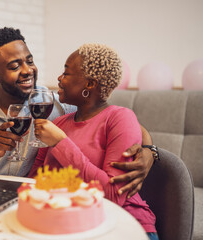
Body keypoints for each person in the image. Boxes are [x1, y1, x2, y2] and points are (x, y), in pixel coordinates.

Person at [0, 27, 155, 198]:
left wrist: (149, 152)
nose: (27, 70)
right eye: (15, 66)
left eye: (29, 61)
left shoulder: (59, 105)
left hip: (41, 202)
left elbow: (126, 125)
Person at [28, 43, 158, 239]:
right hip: (68, 225)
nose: (59, 78)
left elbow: (113, 195)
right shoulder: (59, 123)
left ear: (89, 84)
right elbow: (34, 181)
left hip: (123, 224)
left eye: (66, 72)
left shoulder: (120, 118)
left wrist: (60, 143)